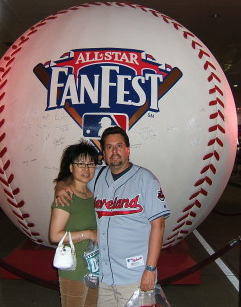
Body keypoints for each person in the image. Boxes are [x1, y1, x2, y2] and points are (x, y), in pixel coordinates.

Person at [55, 126, 170, 307]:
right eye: (109, 147)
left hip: (135, 275)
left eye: (119, 146)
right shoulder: (97, 176)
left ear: (127, 149)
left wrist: (150, 269)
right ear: (104, 152)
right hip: (105, 277)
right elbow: (74, 177)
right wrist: (60, 185)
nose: (114, 151)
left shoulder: (145, 179)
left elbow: (159, 225)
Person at [49, 140, 99, 307]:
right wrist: (89, 234)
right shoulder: (66, 196)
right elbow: (55, 236)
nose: (86, 169)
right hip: (73, 270)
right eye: (80, 164)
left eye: (90, 164)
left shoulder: (92, 194)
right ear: (71, 168)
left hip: (94, 269)